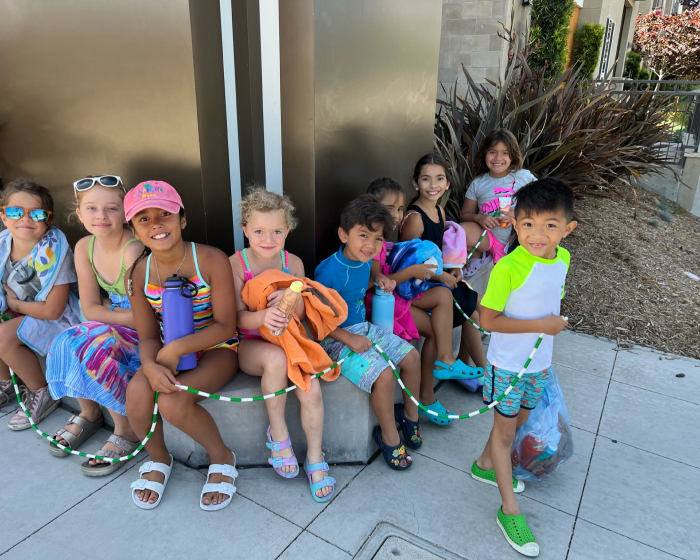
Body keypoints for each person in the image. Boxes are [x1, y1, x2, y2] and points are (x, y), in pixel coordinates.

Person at [471, 178, 577, 557]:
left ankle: (484, 464)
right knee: (505, 433)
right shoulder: (508, 268)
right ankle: (509, 510)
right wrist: (542, 326)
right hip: (507, 365)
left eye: (550, 225)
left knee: (518, 420)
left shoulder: (562, 259)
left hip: (539, 364)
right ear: (514, 224)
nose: (537, 234)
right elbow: (488, 320)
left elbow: (551, 300)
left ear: (568, 229)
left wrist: (550, 326)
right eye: (528, 223)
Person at [124, 181, 239, 511]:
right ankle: (159, 459)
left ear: (182, 220)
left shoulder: (210, 259)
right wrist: (150, 364)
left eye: (165, 214)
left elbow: (225, 325)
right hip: (166, 349)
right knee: (137, 392)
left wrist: (173, 351)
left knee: (174, 404)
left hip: (218, 347)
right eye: (143, 219)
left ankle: (222, 457)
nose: (156, 224)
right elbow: (147, 336)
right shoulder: (139, 274)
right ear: (134, 230)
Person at [231, 186, 335, 502]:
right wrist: (262, 315)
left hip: (291, 339)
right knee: (275, 359)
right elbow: (236, 317)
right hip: (251, 344)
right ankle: (279, 435)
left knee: (312, 388)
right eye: (259, 230)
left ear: (288, 230)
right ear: (245, 229)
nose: (268, 238)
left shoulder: (294, 264)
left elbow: (305, 312)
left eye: (277, 230)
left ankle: (315, 458)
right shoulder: (236, 264)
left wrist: (291, 301)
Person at [314, 195, 421, 470]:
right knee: (384, 375)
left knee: (411, 358)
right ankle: (389, 436)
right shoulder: (327, 272)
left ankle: (410, 415)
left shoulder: (365, 260)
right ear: (343, 234)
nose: (370, 245)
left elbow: (367, 278)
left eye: (377, 239)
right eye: (363, 235)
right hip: (336, 338)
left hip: (364, 329)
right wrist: (348, 338)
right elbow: (315, 319)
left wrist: (379, 279)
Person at [46, 175, 143, 475]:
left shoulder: (133, 248)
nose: (101, 216)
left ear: (125, 213)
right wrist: (102, 314)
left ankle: (126, 429)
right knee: (66, 340)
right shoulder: (84, 247)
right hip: (114, 317)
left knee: (96, 347)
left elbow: (142, 316)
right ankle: (89, 414)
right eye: (91, 208)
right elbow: (88, 308)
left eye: (111, 208)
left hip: (146, 325)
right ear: (79, 214)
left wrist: (104, 313)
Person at [367, 177, 476, 431]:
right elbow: (377, 284)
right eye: (390, 208)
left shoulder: (386, 238)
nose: (396, 215)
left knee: (443, 297)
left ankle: (445, 360)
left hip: (397, 296)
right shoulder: (372, 243)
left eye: (400, 209)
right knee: (437, 329)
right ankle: (427, 395)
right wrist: (413, 271)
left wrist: (433, 274)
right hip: (383, 304)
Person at [399, 155, 486, 421]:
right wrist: (439, 279)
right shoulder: (414, 219)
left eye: (439, 179)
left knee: (474, 305)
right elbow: (408, 262)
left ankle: (479, 373)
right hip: (412, 288)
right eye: (426, 179)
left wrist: (453, 270)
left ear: (447, 184)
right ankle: (447, 373)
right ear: (415, 183)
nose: (432, 185)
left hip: (434, 282)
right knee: (449, 317)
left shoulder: (439, 210)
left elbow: (438, 253)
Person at [0, 178, 81, 430]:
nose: (25, 219)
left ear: (48, 221)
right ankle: (7, 382)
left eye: (36, 213)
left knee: (2, 336)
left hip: (57, 319)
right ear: (3, 216)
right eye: (15, 211)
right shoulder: (4, 244)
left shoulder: (57, 253)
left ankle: (40, 392)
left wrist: (13, 303)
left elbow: (52, 310)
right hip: (20, 310)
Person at [459, 129, 536, 276]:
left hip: (519, 243)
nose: (498, 158)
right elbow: (465, 215)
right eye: (492, 152)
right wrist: (479, 218)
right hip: (490, 239)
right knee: (460, 232)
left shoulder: (523, 177)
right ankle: (480, 258)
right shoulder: (478, 184)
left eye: (505, 153)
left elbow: (544, 203)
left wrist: (517, 213)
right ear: (485, 154)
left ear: (513, 155)